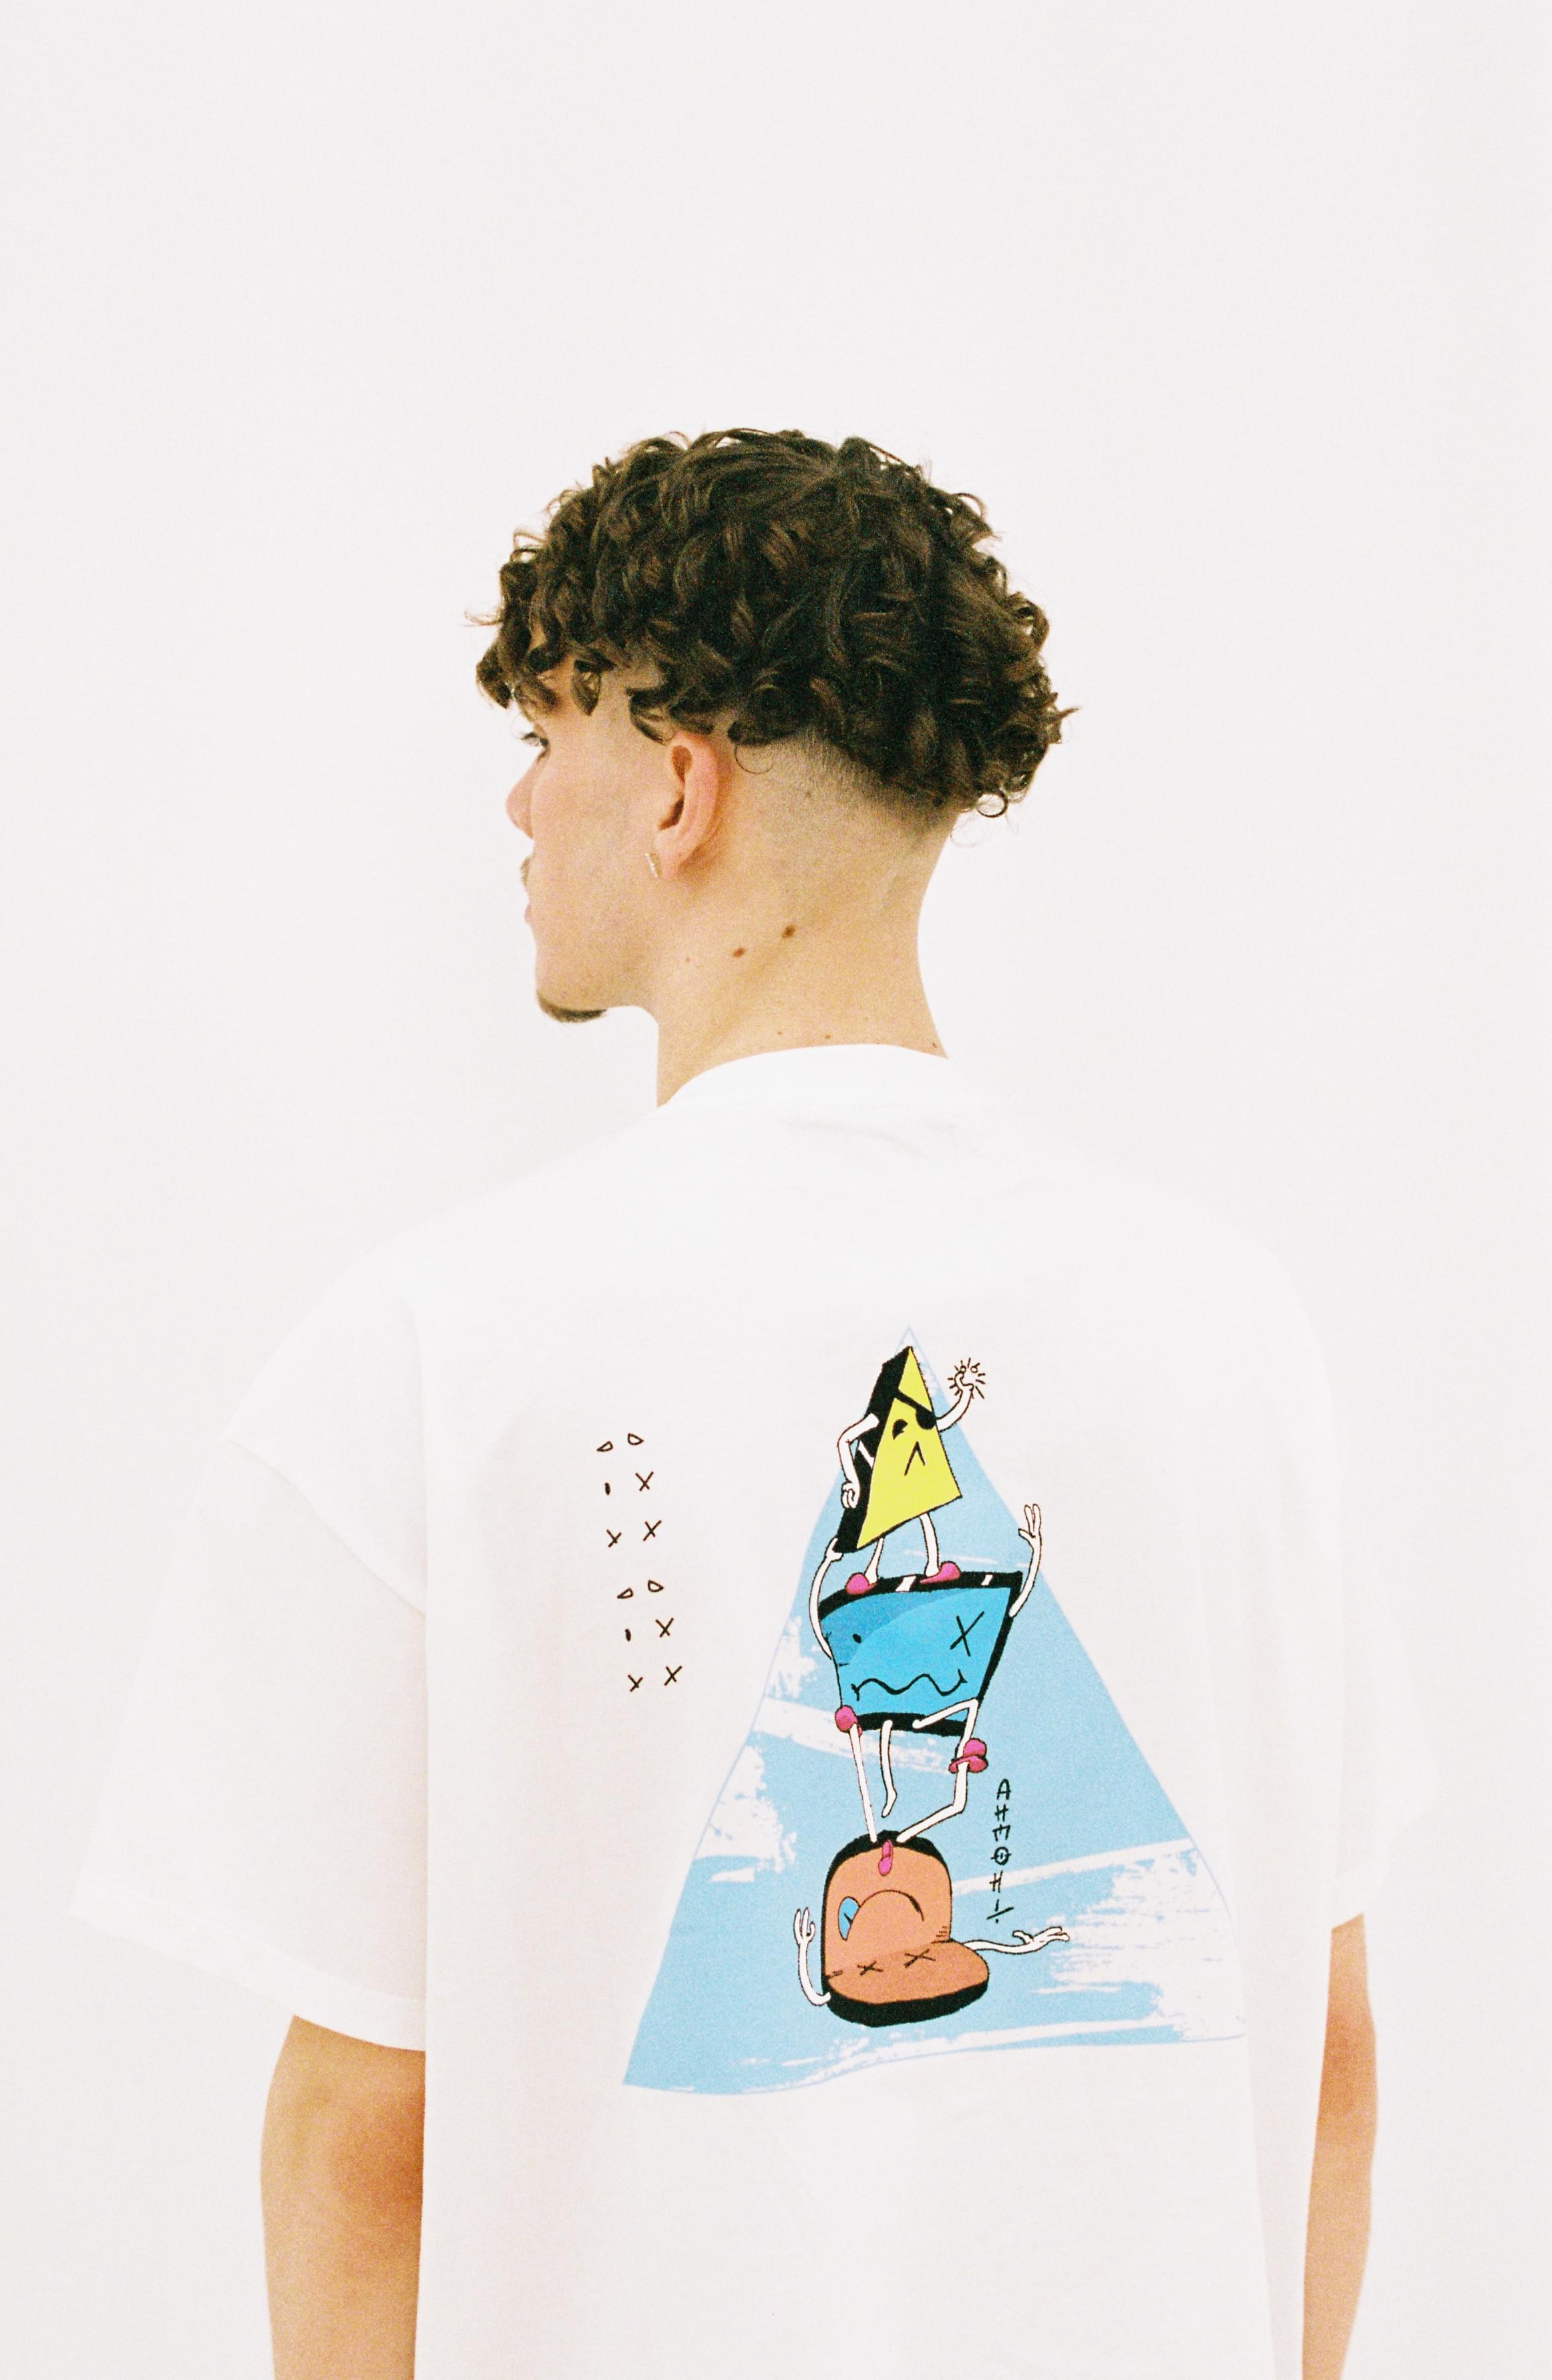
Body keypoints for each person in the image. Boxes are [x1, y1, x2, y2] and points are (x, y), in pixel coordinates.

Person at [71, 427, 1435, 2380]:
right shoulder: (1232, 1332)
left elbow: (370, 2136)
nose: (520, 804)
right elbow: (1330, 2055)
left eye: (548, 735)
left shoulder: (435, 1350)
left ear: (678, 784)